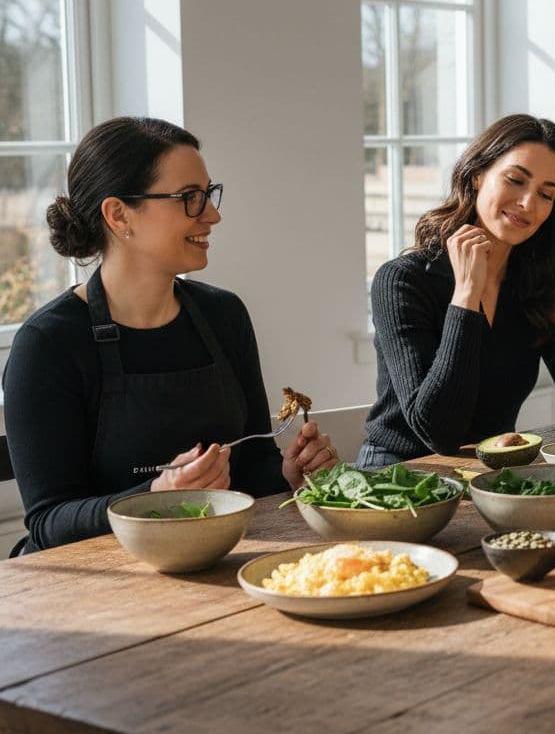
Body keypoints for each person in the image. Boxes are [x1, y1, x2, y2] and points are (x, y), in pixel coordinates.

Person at [3, 117, 339, 555]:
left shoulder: (224, 315)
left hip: (211, 560)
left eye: (208, 194)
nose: (213, 215)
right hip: (89, 592)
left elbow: (252, 469)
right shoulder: (48, 343)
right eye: (190, 199)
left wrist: (290, 474)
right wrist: (156, 498)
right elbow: (50, 523)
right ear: (118, 214)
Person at [357, 114, 555, 468]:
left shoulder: (540, 283)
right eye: (515, 180)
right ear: (477, 174)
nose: (528, 203)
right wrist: (466, 296)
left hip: (491, 479)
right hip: (397, 482)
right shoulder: (403, 281)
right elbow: (441, 433)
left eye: (546, 194)